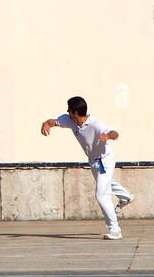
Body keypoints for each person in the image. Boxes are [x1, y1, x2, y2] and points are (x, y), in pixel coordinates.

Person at [41, 96, 132, 240]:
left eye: (69, 110)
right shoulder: (70, 121)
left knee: (101, 195)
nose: (67, 112)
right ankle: (126, 197)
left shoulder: (95, 124)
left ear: (75, 112)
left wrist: (107, 136)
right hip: (94, 161)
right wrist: (46, 124)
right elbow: (53, 122)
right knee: (106, 184)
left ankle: (115, 230)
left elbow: (115, 133)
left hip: (105, 160)